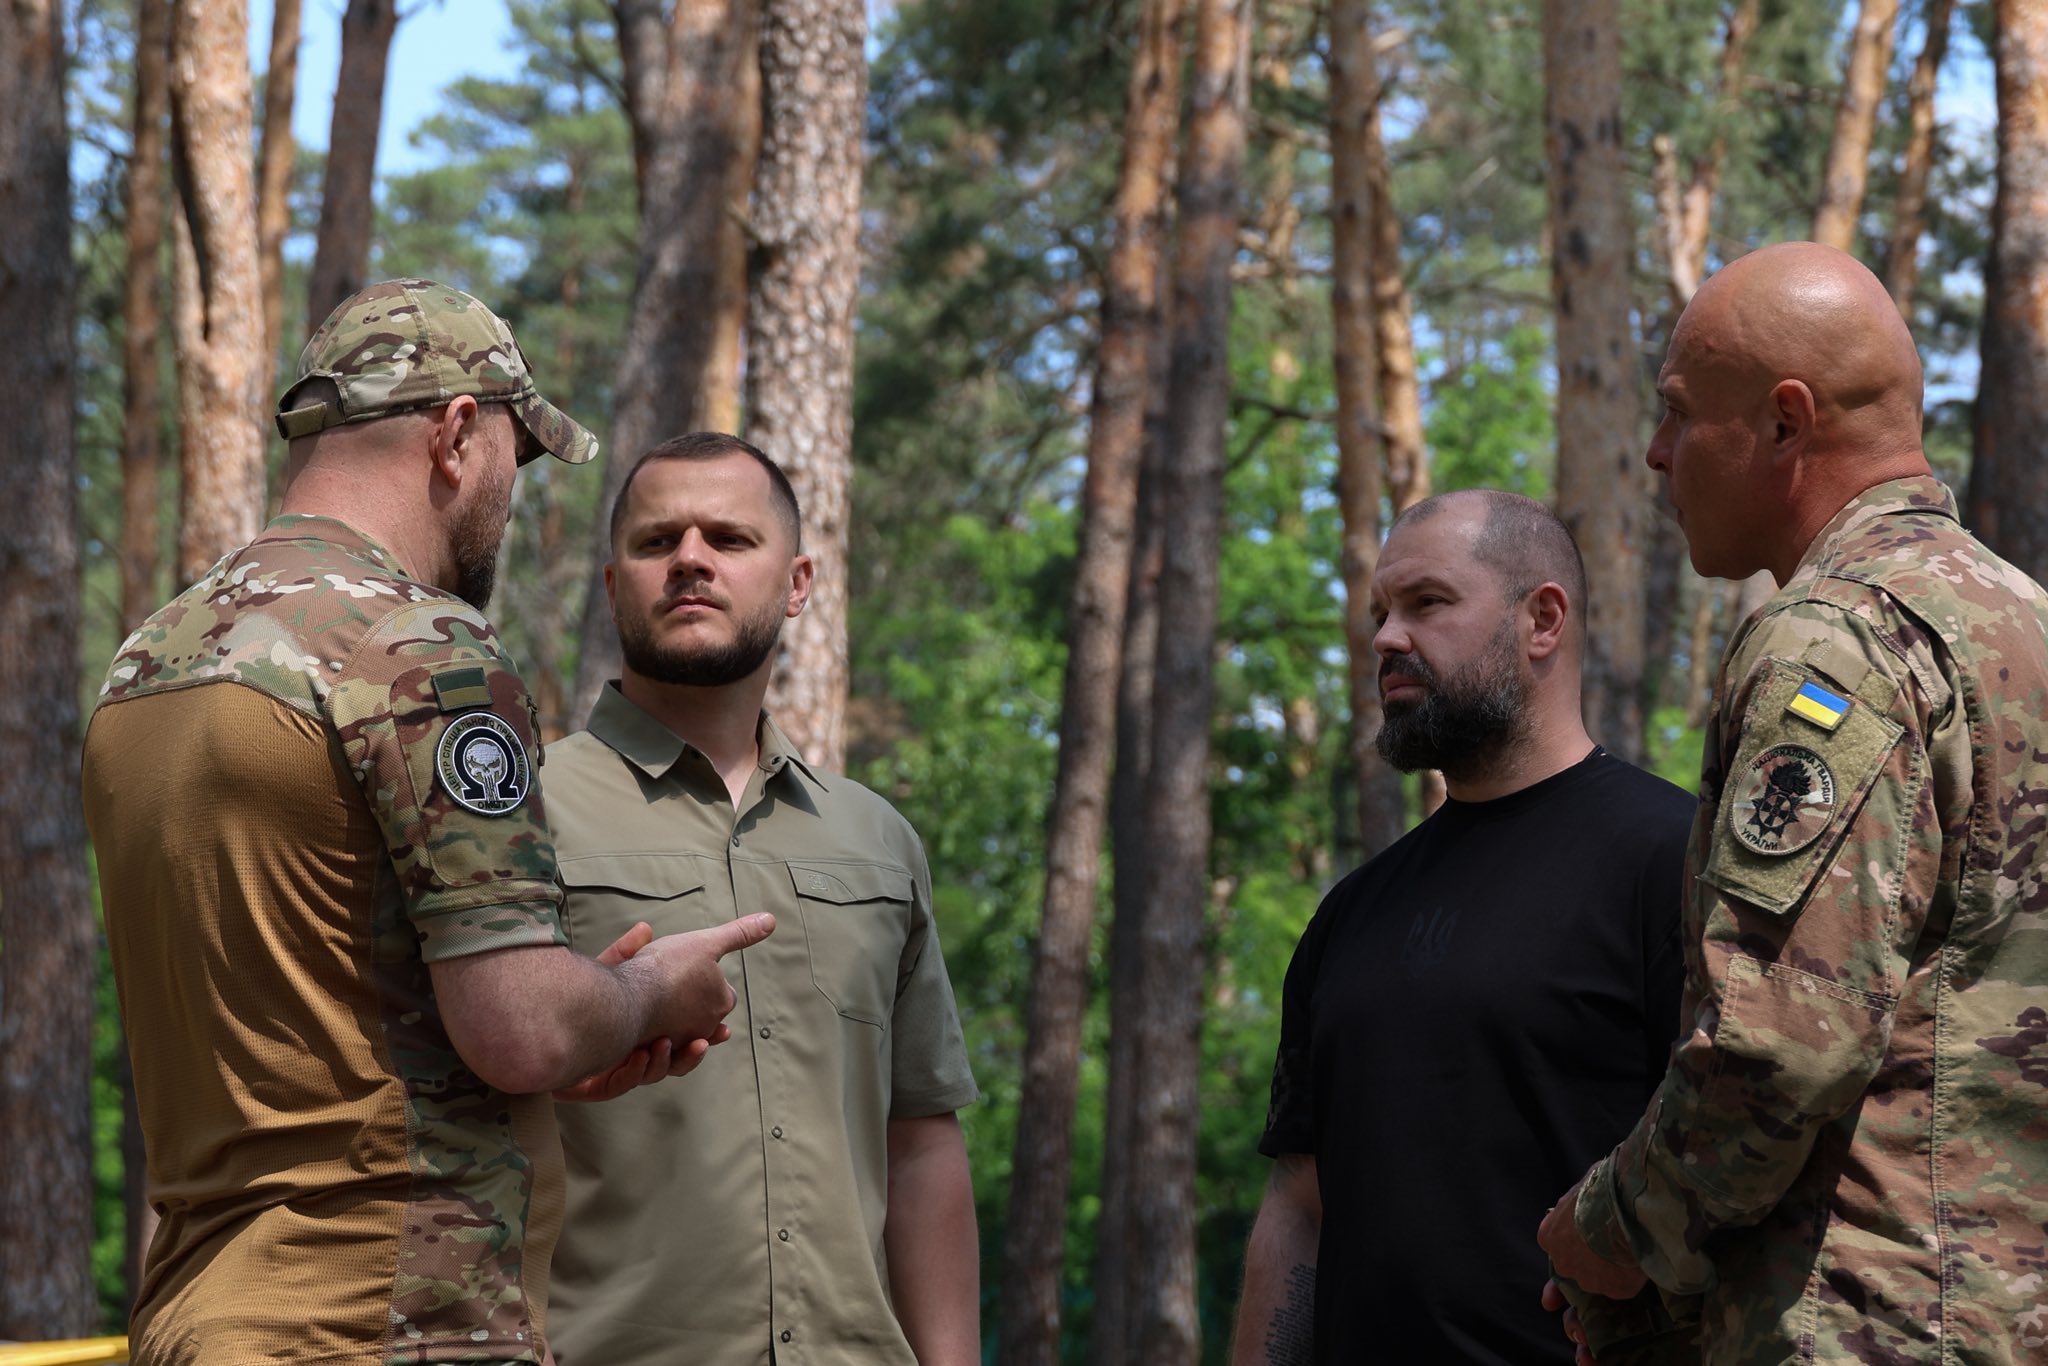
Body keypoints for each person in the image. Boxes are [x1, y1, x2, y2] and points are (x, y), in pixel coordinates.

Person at [82, 280, 773, 1366]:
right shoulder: (417, 649)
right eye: (514, 454)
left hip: (195, 1314)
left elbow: (304, 999)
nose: (511, 496)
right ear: (456, 434)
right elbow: (519, 1024)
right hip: (382, 1322)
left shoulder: (148, 661)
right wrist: (645, 993)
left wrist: (559, 1042)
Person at [1540, 241, 2048, 1364]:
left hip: (1865, 1320)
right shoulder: (2022, 619)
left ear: (1784, 423)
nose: (1655, 451)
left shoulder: (1835, 641)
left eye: (1679, 412)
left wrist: (1606, 1232)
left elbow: (1781, 1046)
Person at [1230, 489, 1696, 1365]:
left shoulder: (1675, 862)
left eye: (1427, 602)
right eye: (1379, 612)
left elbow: (1744, 1162)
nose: (1386, 638)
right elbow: (1299, 1205)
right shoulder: (1352, 913)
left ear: (1542, 620)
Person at [543, 432, 980, 1366]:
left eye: (730, 538)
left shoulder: (878, 839)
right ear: (613, 587)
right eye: (657, 541)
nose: (690, 558)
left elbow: (921, 1142)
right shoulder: (519, 816)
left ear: (798, 583)